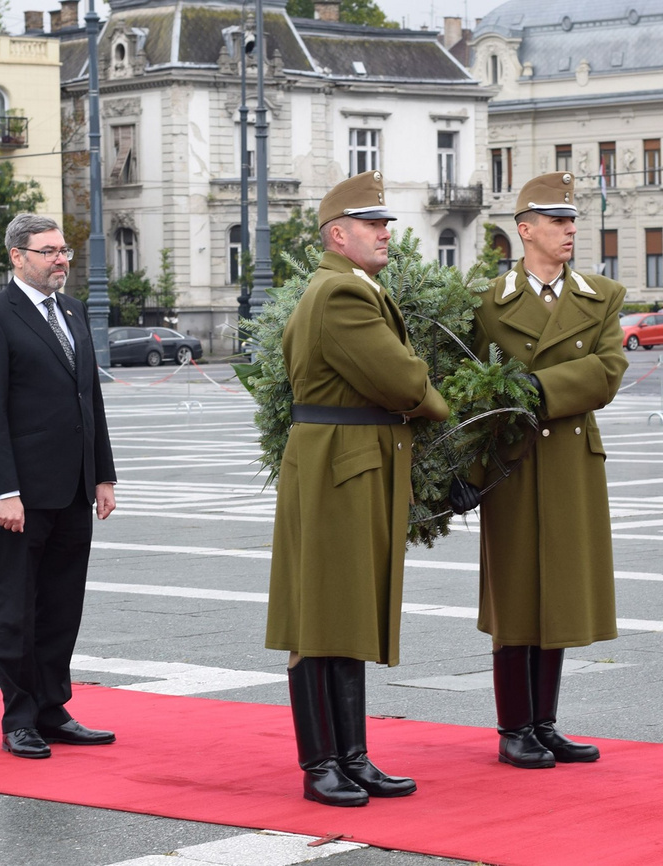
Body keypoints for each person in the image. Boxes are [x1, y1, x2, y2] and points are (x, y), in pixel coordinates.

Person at [265, 171, 450, 807]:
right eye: (373, 225)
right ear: (337, 235)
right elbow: (401, 379)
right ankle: (322, 764)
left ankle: (352, 757)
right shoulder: (341, 294)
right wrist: (438, 397)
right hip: (339, 468)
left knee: (342, 614)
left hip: (347, 463)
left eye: (387, 224)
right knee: (321, 619)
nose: (386, 234)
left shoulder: (345, 286)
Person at [456, 171, 628, 769]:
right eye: (557, 221)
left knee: (559, 590)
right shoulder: (486, 300)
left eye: (573, 220)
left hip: (570, 459)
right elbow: (467, 383)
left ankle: (545, 723)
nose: (570, 229)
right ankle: (513, 728)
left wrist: (535, 387)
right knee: (516, 591)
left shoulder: (601, 294)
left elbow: (607, 373)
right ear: (524, 230)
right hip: (514, 460)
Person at [0, 213, 118, 759]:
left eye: (64, 252)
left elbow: (90, 399)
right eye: (49, 251)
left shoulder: (71, 311)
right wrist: (2, 490)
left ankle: (53, 709)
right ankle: (19, 717)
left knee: (61, 603)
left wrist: (103, 473)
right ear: (17, 256)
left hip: (74, 487)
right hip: (21, 496)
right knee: (17, 606)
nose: (61, 260)